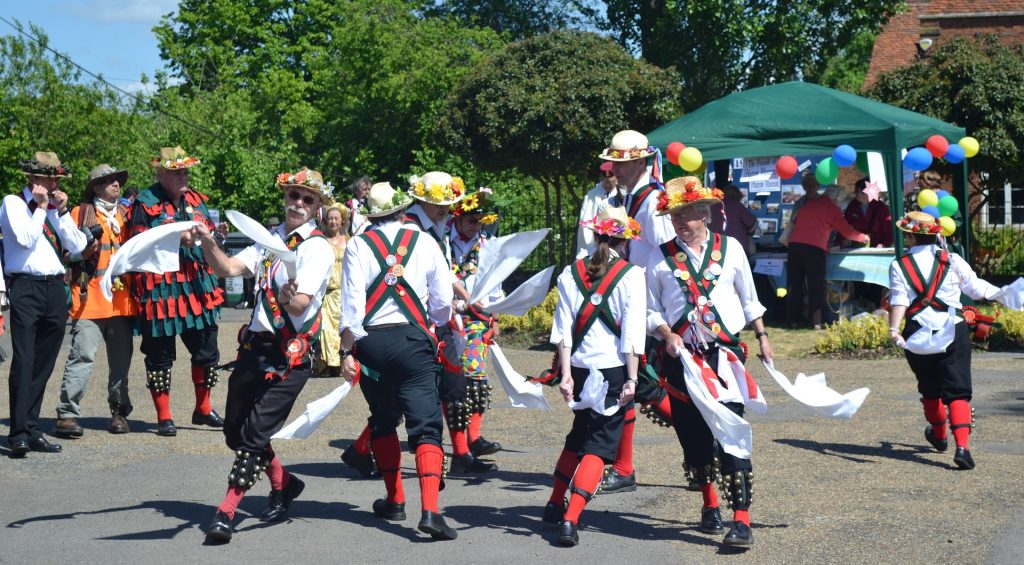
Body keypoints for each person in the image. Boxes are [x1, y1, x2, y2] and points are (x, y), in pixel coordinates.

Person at [198, 167, 334, 542]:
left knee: (254, 433)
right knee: (234, 431)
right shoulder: (270, 239)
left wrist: (293, 298)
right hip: (254, 348)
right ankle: (284, 483)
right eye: (294, 196)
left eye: (308, 199)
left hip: (291, 355)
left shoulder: (316, 247)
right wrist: (207, 240)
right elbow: (227, 268)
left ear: (318, 206)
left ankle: (225, 512)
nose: (299, 204)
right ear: (286, 197)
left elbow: (300, 304)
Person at [646, 176, 774, 548]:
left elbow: (750, 300)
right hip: (682, 360)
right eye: (674, 216)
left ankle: (742, 520)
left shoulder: (731, 249)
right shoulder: (660, 255)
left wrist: (763, 337)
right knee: (694, 436)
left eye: (686, 214)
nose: (680, 222)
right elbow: (652, 309)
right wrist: (667, 335)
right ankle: (710, 504)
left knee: (731, 434)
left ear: (704, 213)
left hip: (724, 360)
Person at [340, 181, 459, 540]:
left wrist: (347, 352)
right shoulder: (426, 242)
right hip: (412, 341)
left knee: (383, 420)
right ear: (403, 211)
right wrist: (432, 328)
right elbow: (442, 302)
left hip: (373, 343)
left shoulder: (358, 244)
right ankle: (430, 512)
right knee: (424, 425)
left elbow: (351, 307)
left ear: (372, 215)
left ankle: (394, 499)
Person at [887, 210, 1021, 471]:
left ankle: (938, 436)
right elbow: (977, 290)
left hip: (917, 332)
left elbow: (899, 300)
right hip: (953, 328)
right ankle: (962, 447)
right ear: (935, 234)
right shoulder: (953, 260)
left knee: (930, 388)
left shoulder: (899, 265)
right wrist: (1004, 294)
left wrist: (894, 330)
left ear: (911, 237)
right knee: (958, 390)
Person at [543, 206, 645, 546]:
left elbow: (562, 332)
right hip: (614, 370)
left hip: (582, 369)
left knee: (578, 435)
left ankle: (555, 502)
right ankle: (571, 519)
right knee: (599, 447)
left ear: (595, 233)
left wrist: (566, 375)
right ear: (624, 239)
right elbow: (632, 335)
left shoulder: (570, 273)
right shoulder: (631, 274)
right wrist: (632, 379)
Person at [596, 129, 674, 494]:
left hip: (648, 305)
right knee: (633, 385)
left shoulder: (653, 201)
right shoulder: (630, 198)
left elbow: (662, 258)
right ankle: (623, 466)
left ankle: (707, 447)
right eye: (617, 163)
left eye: (625, 163)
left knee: (643, 386)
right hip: (631, 301)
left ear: (642, 162)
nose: (617, 169)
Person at [129, 146, 225, 437]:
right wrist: (175, 240)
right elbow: (138, 245)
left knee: (208, 349)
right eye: (177, 172)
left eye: (185, 171)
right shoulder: (144, 203)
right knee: (159, 355)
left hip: (198, 285)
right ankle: (164, 416)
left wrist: (214, 233)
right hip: (160, 289)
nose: (184, 176)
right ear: (161, 173)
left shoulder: (195, 198)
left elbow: (205, 228)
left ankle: (203, 409)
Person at [1, 151, 88, 457]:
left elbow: (78, 247)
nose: (53, 184)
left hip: (54, 289)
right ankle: (19, 433)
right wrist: (40, 209)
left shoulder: (53, 209)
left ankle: (32, 427)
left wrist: (61, 213)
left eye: (56, 179)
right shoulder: (13, 203)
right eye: (48, 178)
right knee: (24, 360)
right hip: (25, 286)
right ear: (32, 178)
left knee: (44, 363)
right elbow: (25, 239)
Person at [53, 164, 137, 438]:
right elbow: (65, 255)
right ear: (95, 187)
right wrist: (81, 254)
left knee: (121, 362)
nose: (116, 184)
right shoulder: (80, 213)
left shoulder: (127, 214)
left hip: (121, 302)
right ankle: (66, 415)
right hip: (89, 301)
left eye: (117, 180)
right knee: (82, 357)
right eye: (109, 180)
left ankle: (119, 412)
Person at [447, 187, 504, 472]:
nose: (476, 224)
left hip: (477, 320)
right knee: (454, 384)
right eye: (471, 219)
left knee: (477, 379)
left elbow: (496, 283)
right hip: (446, 318)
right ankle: (462, 448)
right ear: (458, 217)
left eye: (480, 220)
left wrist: (492, 316)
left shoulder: (488, 245)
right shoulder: (443, 242)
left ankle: (473, 439)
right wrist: (455, 302)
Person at [786, 184, 868, 329]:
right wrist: (863, 237)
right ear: (836, 198)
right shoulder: (832, 209)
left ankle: (793, 320)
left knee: (795, 284)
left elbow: (795, 222)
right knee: (815, 285)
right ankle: (816, 322)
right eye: (840, 201)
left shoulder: (808, 204)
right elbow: (847, 232)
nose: (840, 204)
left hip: (794, 245)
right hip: (814, 248)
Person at [317, 201, 350, 378]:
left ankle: (341, 362)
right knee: (326, 329)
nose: (333, 222)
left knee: (342, 328)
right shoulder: (321, 241)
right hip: (327, 293)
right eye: (330, 218)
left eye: (336, 218)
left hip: (344, 292)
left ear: (342, 221)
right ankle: (328, 364)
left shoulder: (349, 240)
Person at [575, 162, 621, 256]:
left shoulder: (621, 194)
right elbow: (585, 223)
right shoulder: (592, 195)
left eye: (610, 177)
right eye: (605, 177)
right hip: (594, 245)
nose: (607, 180)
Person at [709, 184, 757, 255]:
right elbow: (751, 223)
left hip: (715, 246)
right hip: (736, 248)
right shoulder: (737, 205)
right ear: (738, 196)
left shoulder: (712, 205)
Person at [844, 178, 893, 247]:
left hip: (877, 246)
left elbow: (888, 228)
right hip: (857, 246)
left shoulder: (880, 206)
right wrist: (843, 240)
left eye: (857, 191)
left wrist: (885, 244)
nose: (855, 193)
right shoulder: (852, 205)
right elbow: (846, 224)